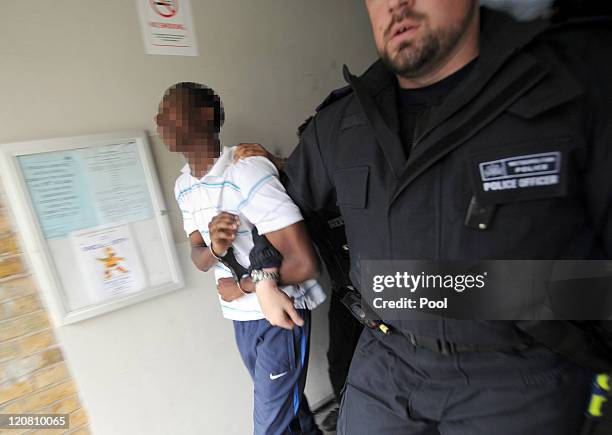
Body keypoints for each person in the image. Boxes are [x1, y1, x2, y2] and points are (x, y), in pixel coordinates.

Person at [253, 2, 611, 434]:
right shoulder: (343, 121)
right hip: (386, 367)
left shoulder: (577, 82)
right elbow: (277, 201)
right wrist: (262, 273)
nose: (396, 4)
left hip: (522, 376)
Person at [155, 82, 326, 435]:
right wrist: (215, 249)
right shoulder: (183, 186)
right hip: (240, 318)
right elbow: (199, 258)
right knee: (289, 414)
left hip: (281, 314)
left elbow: (305, 263)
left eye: (169, 110)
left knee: (270, 425)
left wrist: (244, 286)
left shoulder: (245, 170)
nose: (159, 119)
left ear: (203, 115)